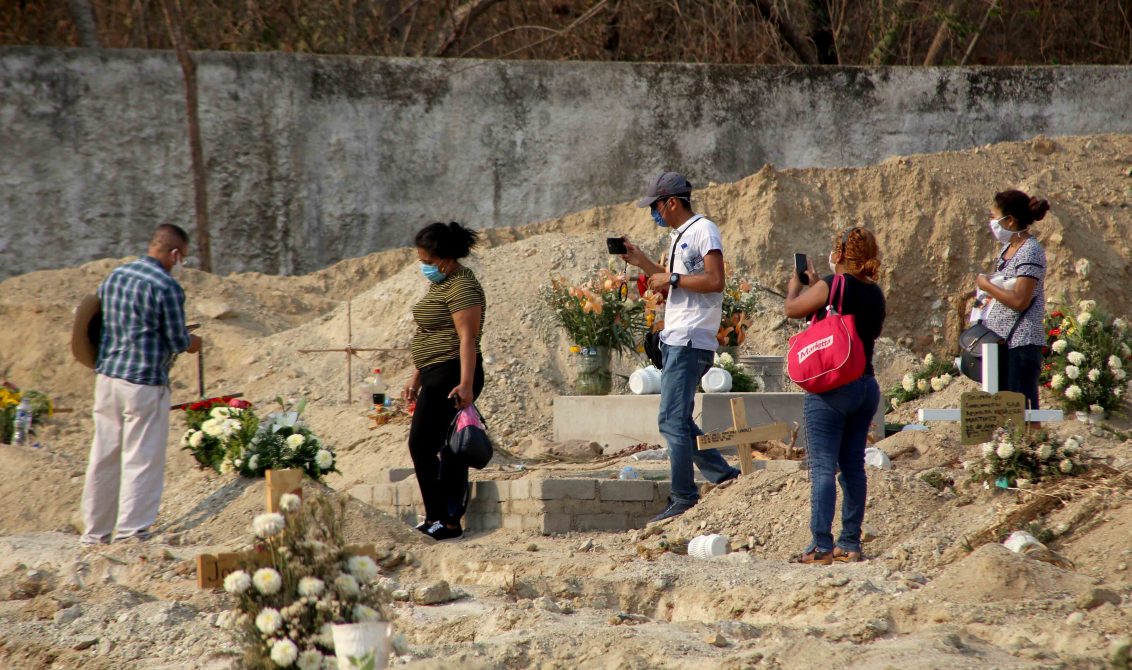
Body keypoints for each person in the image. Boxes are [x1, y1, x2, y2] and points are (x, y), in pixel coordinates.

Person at [621, 171, 740, 522]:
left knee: (671, 421)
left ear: (672, 202)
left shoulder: (703, 229)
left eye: (655, 206)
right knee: (680, 420)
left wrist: (671, 278)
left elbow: (715, 280)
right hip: (678, 337)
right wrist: (644, 263)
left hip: (691, 338)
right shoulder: (679, 237)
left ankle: (683, 495)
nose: (653, 213)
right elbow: (680, 282)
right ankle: (723, 475)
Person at [81, 224, 202, 545]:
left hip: (107, 378)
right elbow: (177, 339)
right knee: (142, 457)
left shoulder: (115, 276)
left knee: (103, 456)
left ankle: (94, 533)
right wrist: (193, 341)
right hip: (144, 382)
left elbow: (96, 320)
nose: (181, 265)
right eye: (183, 258)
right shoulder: (167, 287)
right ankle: (132, 532)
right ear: (174, 254)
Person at [784, 227, 885, 564]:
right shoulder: (875, 293)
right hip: (866, 386)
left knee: (823, 468)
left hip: (832, 390)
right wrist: (819, 284)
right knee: (853, 467)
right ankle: (850, 543)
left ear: (840, 254)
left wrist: (795, 287)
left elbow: (793, 310)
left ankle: (821, 547)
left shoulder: (833, 284)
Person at [402, 222, 486, 541]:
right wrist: (416, 376)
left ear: (444, 258)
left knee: (421, 445)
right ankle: (446, 520)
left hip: (453, 373)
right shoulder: (442, 284)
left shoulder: (462, 285)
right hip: (435, 373)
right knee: (438, 447)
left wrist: (465, 385)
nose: (423, 266)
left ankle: (441, 518)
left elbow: (466, 338)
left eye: (426, 260)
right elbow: (430, 333)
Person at [975, 189, 1050, 412]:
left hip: (1021, 343)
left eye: (993, 216)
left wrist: (986, 285)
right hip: (1002, 341)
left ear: (1009, 220)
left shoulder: (1030, 251)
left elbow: (1020, 300)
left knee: (1022, 412)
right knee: (1002, 412)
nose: (991, 222)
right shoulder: (1008, 249)